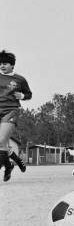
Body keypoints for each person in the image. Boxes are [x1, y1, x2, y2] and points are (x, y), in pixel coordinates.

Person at [0, 50, 32, 182]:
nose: (2, 66)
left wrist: (22, 96)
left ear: (12, 65)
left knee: (1, 142)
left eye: (5, 63)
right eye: (0, 63)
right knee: (3, 145)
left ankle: (9, 165)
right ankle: (11, 164)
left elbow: (29, 94)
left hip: (10, 111)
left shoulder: (19, 79)